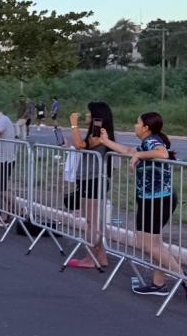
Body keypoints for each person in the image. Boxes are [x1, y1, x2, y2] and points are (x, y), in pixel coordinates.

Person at [98, 113, 181, 295]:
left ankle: (182, 279)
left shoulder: (152, 141)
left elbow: (162, 153)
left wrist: (139, 155)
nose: (135, 126)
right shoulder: (147, 142)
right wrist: (106, 141)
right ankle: (159, 284)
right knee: (154, 244)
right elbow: (129, 151)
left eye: (137, 123)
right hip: (151, 198)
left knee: (149, 245)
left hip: (158, 199)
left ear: (145, 127)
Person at [68, 102, 114, 269]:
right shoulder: (101, 132)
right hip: (93, 179)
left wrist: (73, 124)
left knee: (91, 222)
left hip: (92, 179)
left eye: (89, 113)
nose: (86, 115)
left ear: (96, 116)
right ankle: (101, 256)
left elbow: (80, 145)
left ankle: (90, 258)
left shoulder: (98, 133)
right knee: (96, 221)